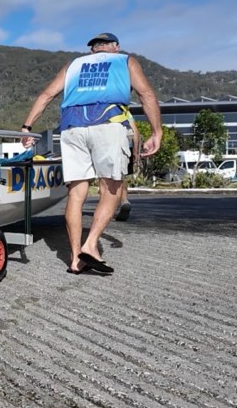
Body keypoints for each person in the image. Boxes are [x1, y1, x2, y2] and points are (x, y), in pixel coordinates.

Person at [20, 32, 162, 275]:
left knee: (76, 193)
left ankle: (75, 259)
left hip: (72, 128)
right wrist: (156, 131)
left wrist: (27, 126)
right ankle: (90, 243)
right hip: (107, 124)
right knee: (111, 189)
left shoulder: (73, 64)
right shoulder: (125, 60)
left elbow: (46, 95)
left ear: (93, 49)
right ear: (115, 47)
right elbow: (146, 95)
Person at [114, 117, 140, 221]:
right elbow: (135, 132)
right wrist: (135, 152)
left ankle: (109, 208)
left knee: (105, 179)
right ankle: (124, 201)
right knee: (122, 175)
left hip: (107, 144)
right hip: (125, 145)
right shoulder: (124, 110)